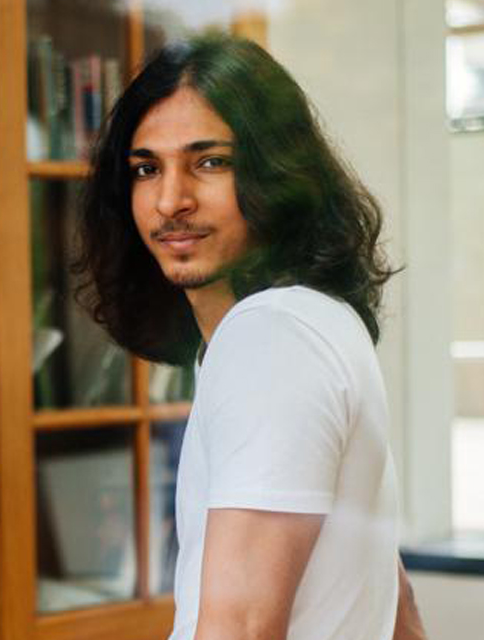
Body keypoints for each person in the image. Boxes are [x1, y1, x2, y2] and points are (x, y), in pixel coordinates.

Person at [70, 34, 428, 640]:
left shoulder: (271, 338)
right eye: (147, 169)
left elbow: (240, 626)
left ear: (278, 174)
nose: (170, 201)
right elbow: (396, 602)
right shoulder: (311, 322)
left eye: (210, 162)